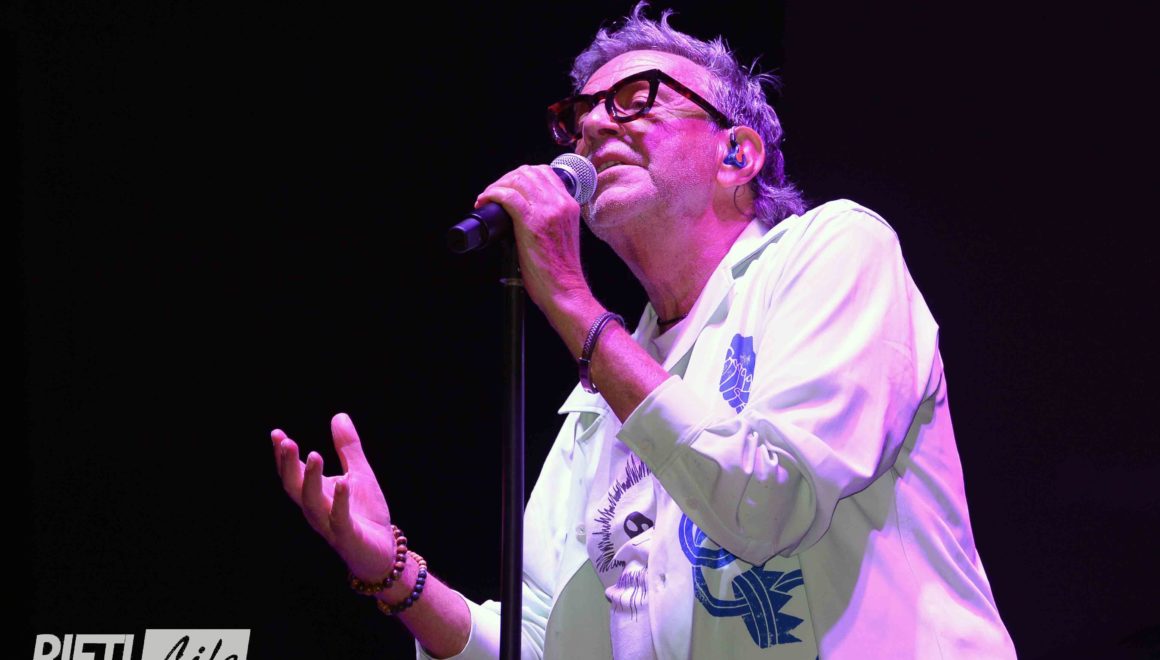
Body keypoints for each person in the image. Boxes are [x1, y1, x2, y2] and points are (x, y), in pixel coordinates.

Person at [270, 4, 1016, 658]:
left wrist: (568, 298)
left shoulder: (833, 250)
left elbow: (771, 502)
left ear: (737, 152)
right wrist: (391, 572)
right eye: (579, 116)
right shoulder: (602, 393)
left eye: (636, 100)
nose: (593, 127)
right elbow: (545, 638)